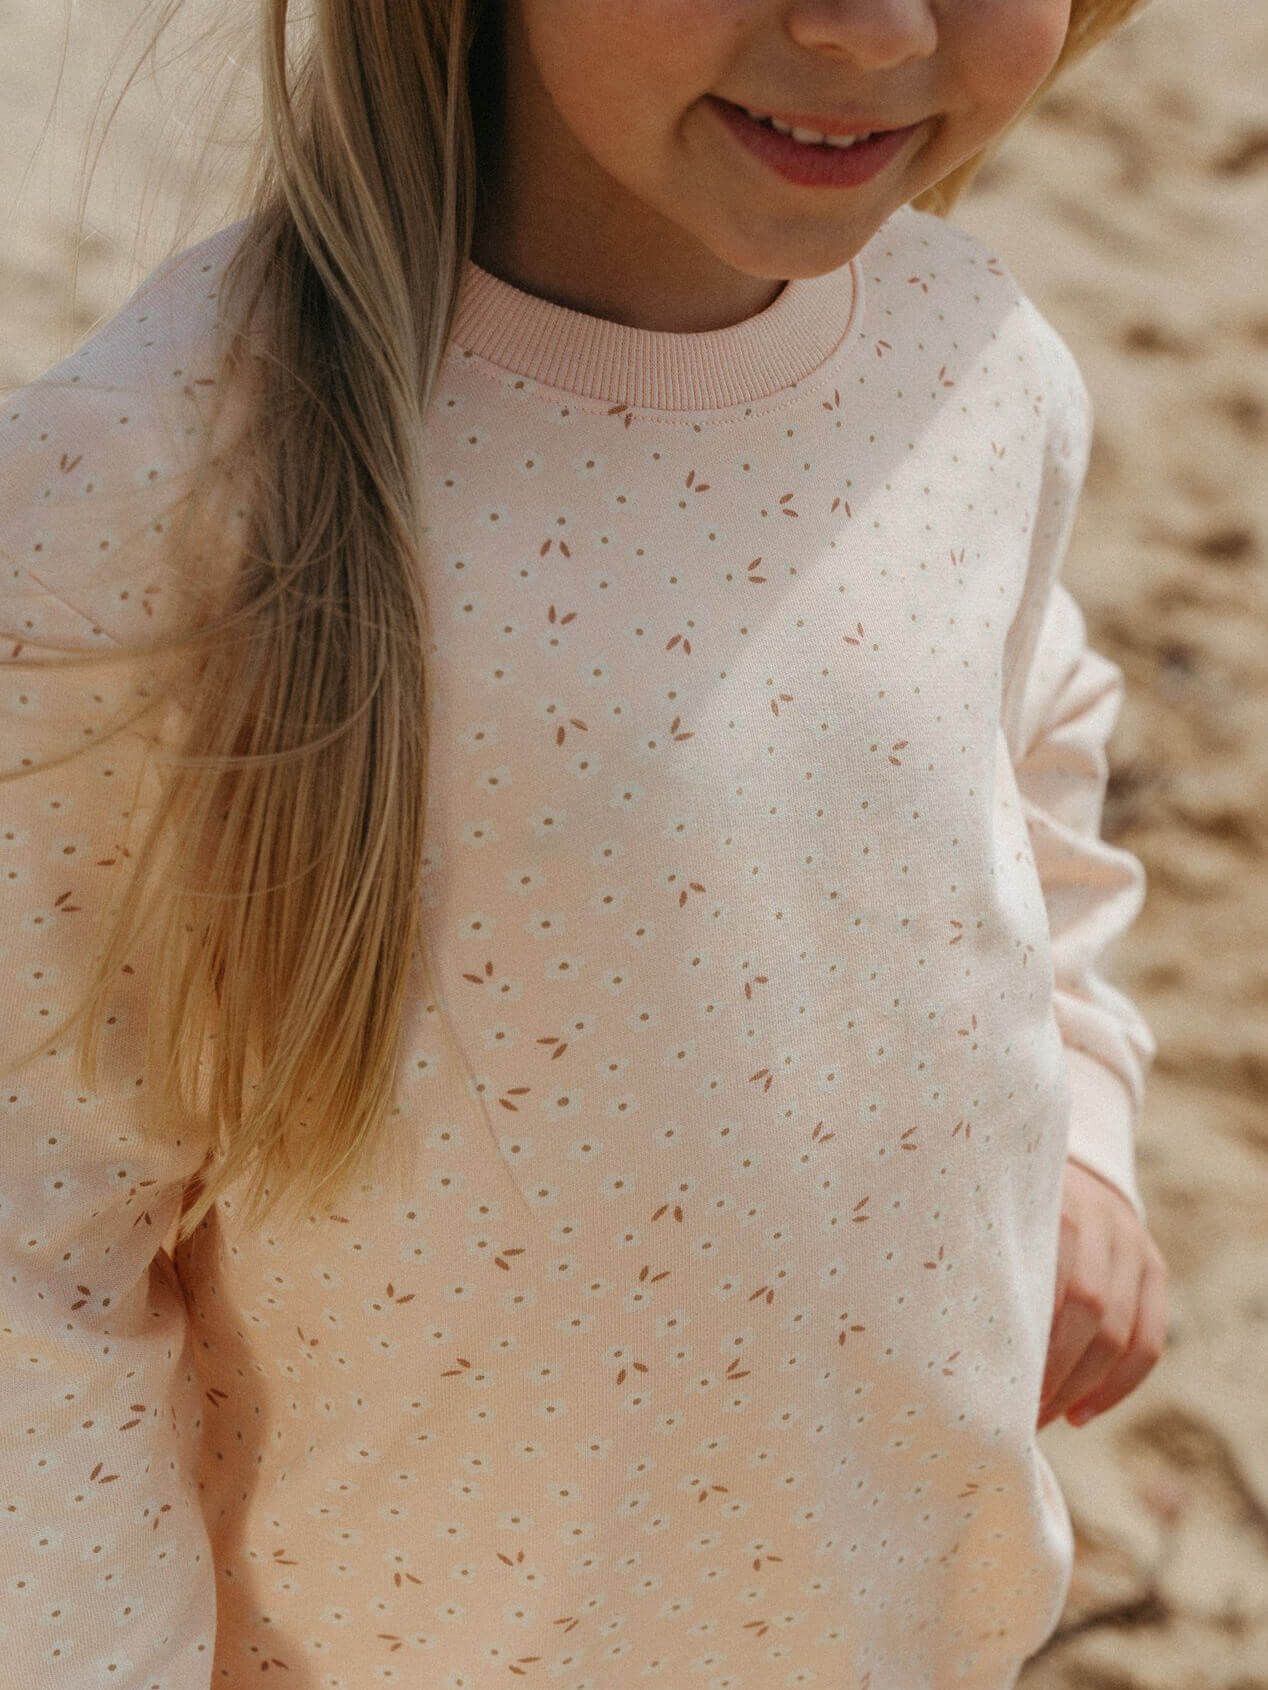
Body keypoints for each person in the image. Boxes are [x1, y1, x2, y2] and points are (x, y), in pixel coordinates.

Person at [0, 1, 1171, 1685]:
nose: (867, 27)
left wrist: (1087, 1113)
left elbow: (1032, 742)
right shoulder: (166, 485)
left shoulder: (978, 371)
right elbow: (37, 1249)